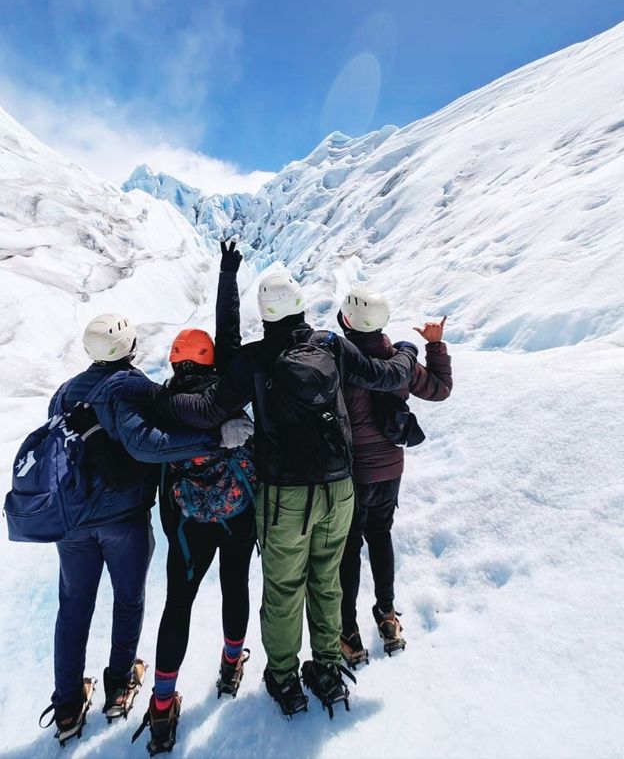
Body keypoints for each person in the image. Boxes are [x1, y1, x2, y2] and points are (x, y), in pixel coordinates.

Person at [143, 271, 419, 718]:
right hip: (339, 489)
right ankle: (327, 666)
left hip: (284, 497)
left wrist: (155, 397)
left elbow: (207, 409)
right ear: (301, 306)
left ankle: (284, 677)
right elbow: (387, 376)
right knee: (327, 580)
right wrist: (407, 350)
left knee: (284, 587)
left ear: (265, 315)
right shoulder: (331, 345)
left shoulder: (252, 360)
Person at [39, 312, 221, 746]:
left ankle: (67, 705)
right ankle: (120, 683)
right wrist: (214, 439)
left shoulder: (66, 392)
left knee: (73, 607)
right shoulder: (131, 385)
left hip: (74, 522)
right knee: (128, 599)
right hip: (122, 518)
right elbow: (148, 444)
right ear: (130, 346)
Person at [132, 241, 257, 755]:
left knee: (178, 606)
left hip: (186, 523)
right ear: (209, 359)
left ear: (174, 360)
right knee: (234, 586)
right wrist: (228, 274)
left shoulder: (160, 401)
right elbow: (228, 330)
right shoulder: (227, 387)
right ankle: (231, 666)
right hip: (238, 512)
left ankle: (162, 704)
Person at [337, 286, 452, 665]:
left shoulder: (339, 361)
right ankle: (386, 615)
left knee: (349, 549)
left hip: (352, 474)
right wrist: (434, 347)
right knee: (380, 536)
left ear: (347, 321)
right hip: (390, 468)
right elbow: (439, 390)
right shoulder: (398, 360)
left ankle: (348, 630)